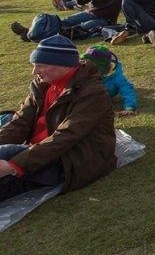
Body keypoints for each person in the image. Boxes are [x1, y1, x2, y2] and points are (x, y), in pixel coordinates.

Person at [0, 35, 116, 201]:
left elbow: (66, 137)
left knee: (7, 169)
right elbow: (19, 123)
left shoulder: (93, 93)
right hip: (42, 150)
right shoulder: (42, 86)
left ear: (64, 65)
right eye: (34, 65)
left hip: (71, 159)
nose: (35, 71)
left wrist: (13, 165)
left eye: (41, 65)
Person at [80, 44, 137, 116]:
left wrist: (129, 107)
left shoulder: (116, 77)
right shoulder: (84, 72)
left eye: (87, 63)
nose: (84, 66)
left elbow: (127, 90)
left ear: (98, 67)